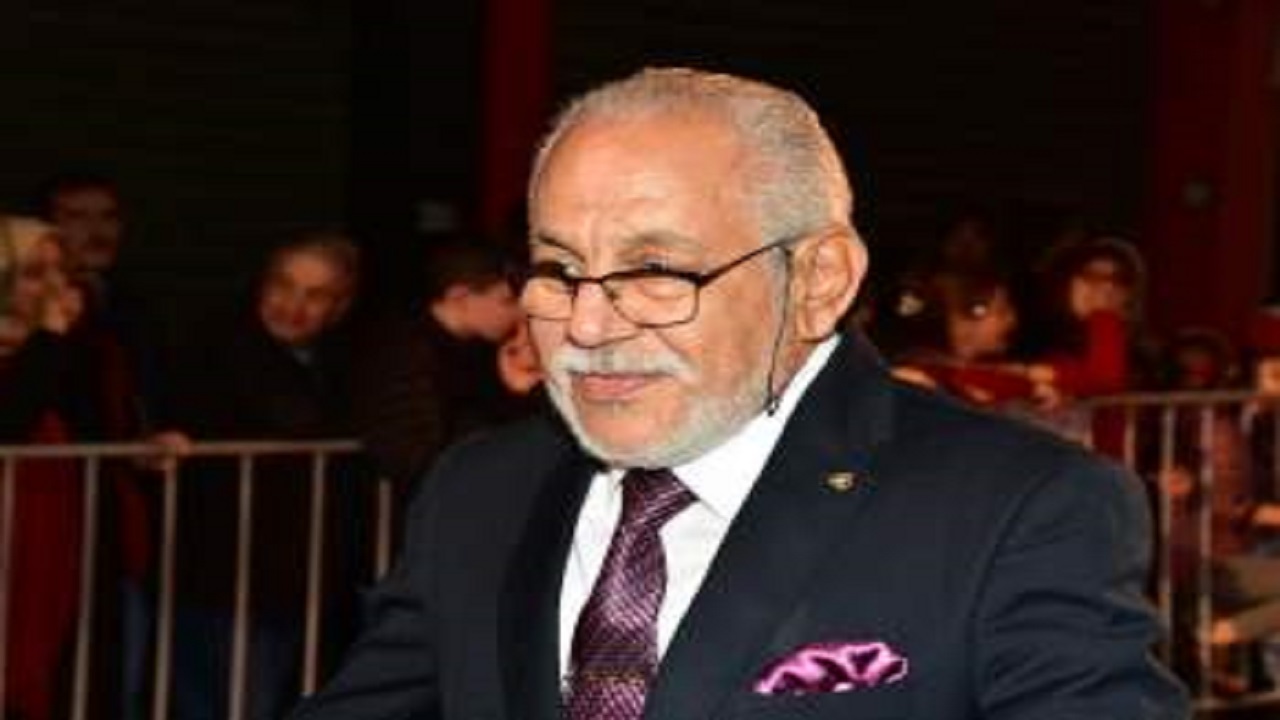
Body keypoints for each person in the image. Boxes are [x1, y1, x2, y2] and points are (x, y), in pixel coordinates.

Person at [291, 67, 1187, 719]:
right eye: (559, 269)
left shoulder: (1016, 508)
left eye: (656, 271)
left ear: (819, 281)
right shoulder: (481, 491)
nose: (588, 325)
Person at [157, 232, 363, 720]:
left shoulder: (340, 360)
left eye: (315, 295)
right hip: (226, 573)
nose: (293, 305)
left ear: (340, 306)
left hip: (303, 578)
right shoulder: (217, 350)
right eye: (282, 286)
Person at [349, 237, 526, 492]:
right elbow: (409, 451)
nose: (519, 312)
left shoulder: (483, 351)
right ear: (459, 297)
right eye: (507, 300)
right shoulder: (406, 354)